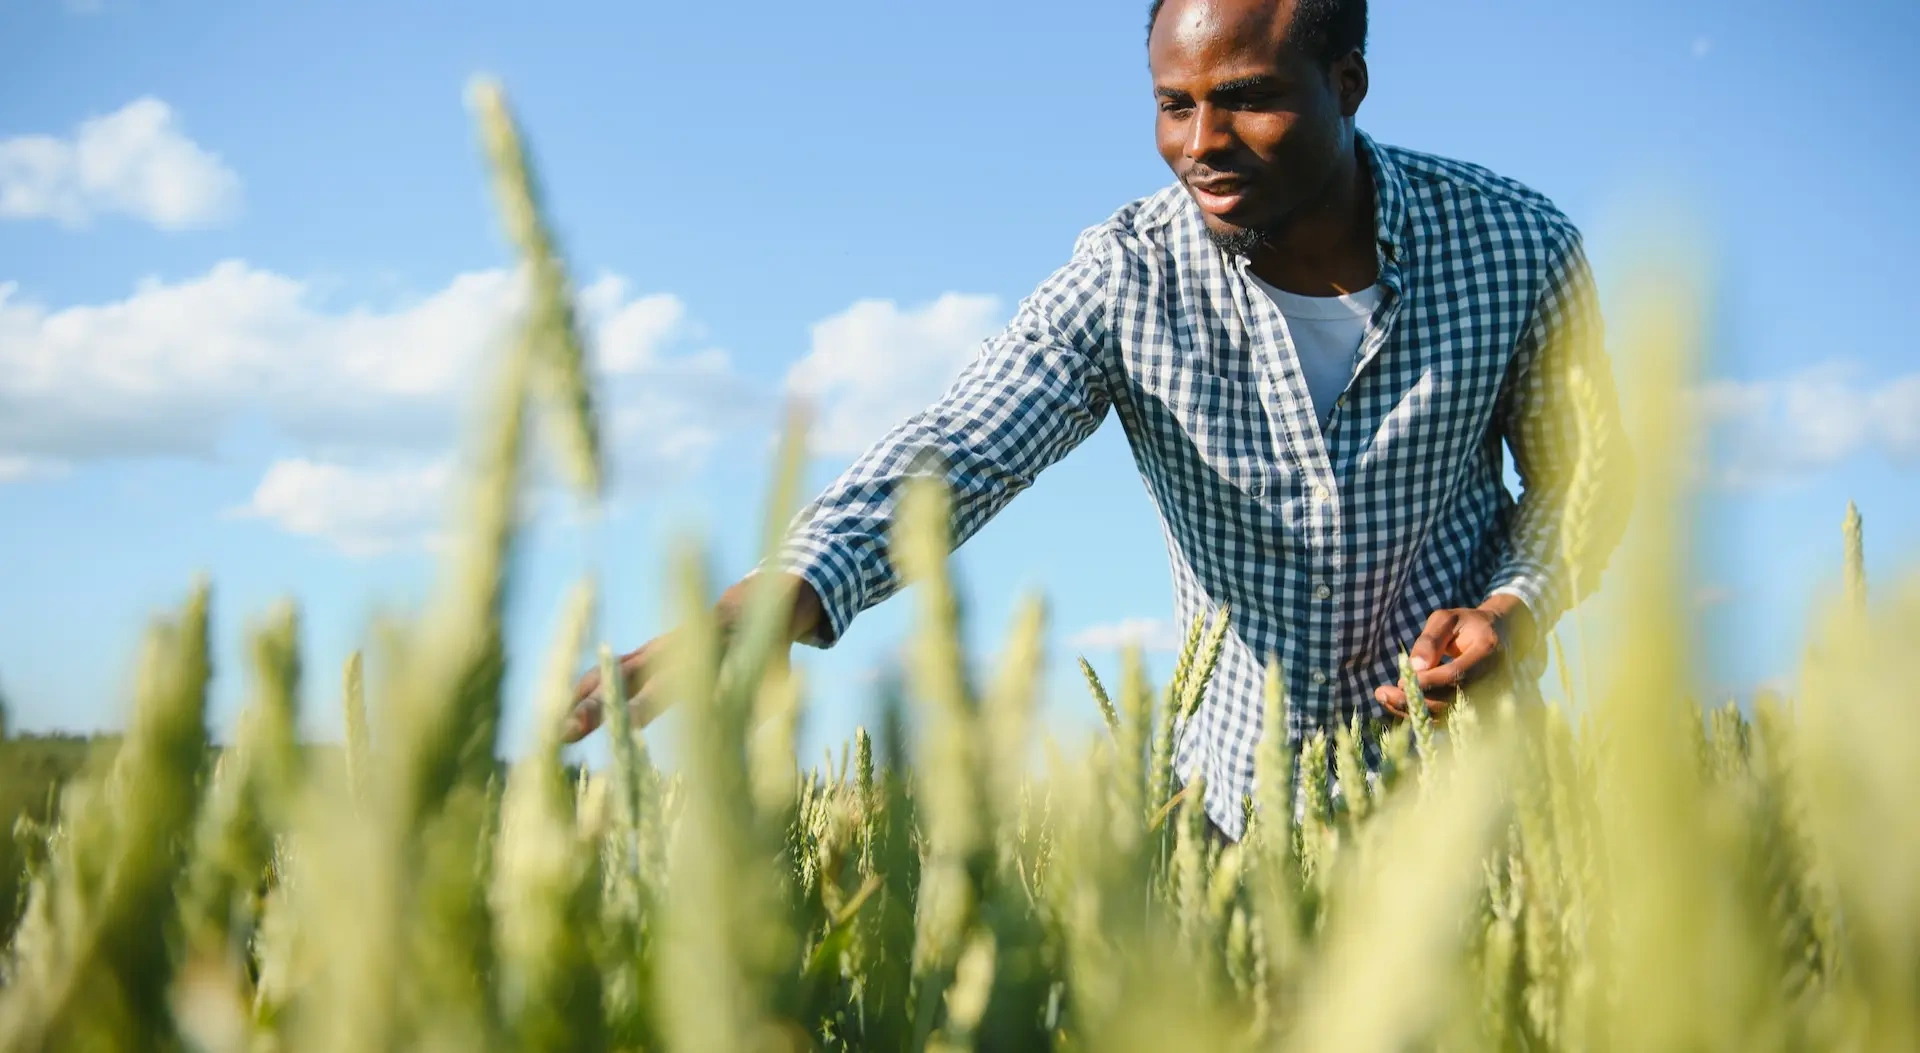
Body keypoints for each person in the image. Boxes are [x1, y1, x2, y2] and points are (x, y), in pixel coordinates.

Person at [565, 0, 1633, 841]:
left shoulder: (1515, 244)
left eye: (1248, 100)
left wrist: (1513, 608)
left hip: (1473, 802)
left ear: (1346, 83)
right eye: (1175, 105)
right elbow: (964, 445)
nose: (1202, 142)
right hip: (1231, 817)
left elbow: (1585, 480)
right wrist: (783, 590)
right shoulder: (1127, 276)